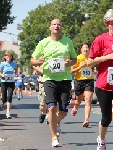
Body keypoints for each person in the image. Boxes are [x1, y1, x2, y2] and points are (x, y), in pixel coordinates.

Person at [87, 9, 113, 150]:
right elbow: (89, 62)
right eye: (111, 23)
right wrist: (108, 57)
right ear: (107, 24)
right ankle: (102, 138)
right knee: (106, 118)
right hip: (104, 84)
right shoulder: (100, 39)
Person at [30, 18, 77, 147]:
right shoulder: (43, 43)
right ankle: (54, 137)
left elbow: (74, 58)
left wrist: (70, 63)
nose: (56, 26)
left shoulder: (68, 42)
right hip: (49, 79)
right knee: (51, 107)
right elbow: (32, 60)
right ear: (50, 28)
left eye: (59, 24)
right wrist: (38, 61)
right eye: (54, 24)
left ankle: (53, 122)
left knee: (63, 111)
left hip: (65, 79)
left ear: (61, 27)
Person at [71, 43, 94, 127]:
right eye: (84, 48)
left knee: (88, 100)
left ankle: (86, 119)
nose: (85, 49)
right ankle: (75, 107)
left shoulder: (91, 58)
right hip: (79, 81)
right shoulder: (77, 58)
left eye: (87, 48)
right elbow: (71, 71)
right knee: (78, 101)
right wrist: (80, 67)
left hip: (89, 80)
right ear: (81, 50)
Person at [0, 51, 17, 119]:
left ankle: (8, 112)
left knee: (10, 96)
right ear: (5, 57)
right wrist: (1, 74)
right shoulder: (3, 64)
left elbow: (16, 70)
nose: (9, 58)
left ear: (12, 57)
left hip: (11, 82)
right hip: (4, 82)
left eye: (10, 56)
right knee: (4, 98)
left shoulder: (14, 63)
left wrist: (15, 74)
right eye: (7, 56)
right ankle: (3, 102)